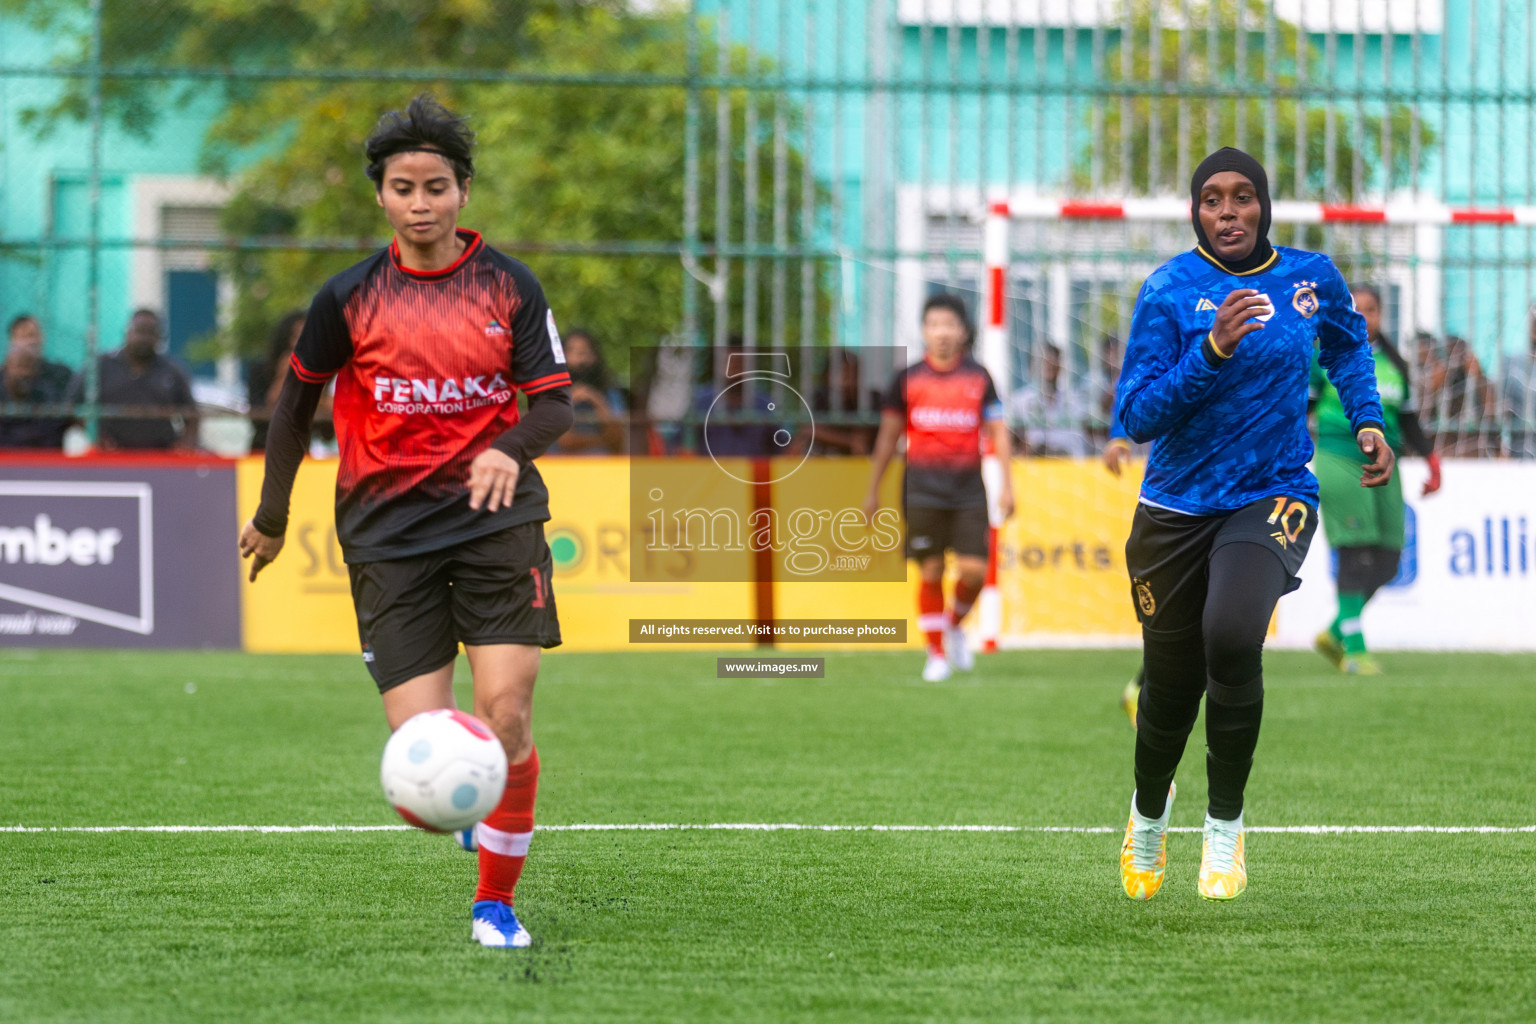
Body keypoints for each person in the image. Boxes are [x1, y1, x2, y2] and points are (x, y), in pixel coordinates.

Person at [237, 95, 574, 949]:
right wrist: (272, 517)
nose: (420, 203)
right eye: (402, 188)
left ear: (463, 192)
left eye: (436, 186)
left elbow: (555, 405)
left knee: (505, 717)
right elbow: (292, 410)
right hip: (386, 538)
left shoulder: (510, 286)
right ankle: (472, 808)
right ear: (381, 197)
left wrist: (507, 448)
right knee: (422, 751)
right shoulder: (347, 297)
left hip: (494, 522)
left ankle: (494, 905)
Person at [1113, 148, 1391, 903]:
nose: (1228, 212)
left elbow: (1345, 343)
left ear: (1264, 205)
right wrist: (1212, 349)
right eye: (1211, 199)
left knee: (1233, 636)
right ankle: (1145, 819)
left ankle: (1225, 832)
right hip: (1174, 508)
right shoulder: (1170, 289)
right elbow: (1136, 416)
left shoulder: (1310, 278)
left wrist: (1366, 417)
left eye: (1242, 198)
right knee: (1169, 687)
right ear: (1195, 211)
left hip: (1274, 492)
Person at [863, 293, 1015, 683]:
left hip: (967, 490)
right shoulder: (907, 378)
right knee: (930, 571)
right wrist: (872, 490)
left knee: (975, 572)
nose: (941, 333)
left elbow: (998, 430)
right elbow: (888, 437)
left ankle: (952, 625)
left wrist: (1008, 485)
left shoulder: (979, 377)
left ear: (963, 331)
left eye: (949, 325)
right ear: (924, 330)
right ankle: (935, 653)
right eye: (934, 325)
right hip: (922, 489)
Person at [1311, 285, 1442, 675]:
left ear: (1383, 314)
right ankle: (1354, 650)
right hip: (1338, 457)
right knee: (1355, 549)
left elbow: (1407, 420)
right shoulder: (1324, 356)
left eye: (1372, 309)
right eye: (1357, 309)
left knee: (1389, 559)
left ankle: (1335, 631)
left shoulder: (1395, 364)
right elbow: (1301, 408)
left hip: (1387, 463)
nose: (1365, 317)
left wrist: (1433, 462)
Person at [67, 309, 198, 450]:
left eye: (151, 332)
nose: (144, 338)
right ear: (127, 333)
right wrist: (94, 434)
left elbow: (192, 415)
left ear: (159, 337)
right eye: (140, 331)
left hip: (160, 454)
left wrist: (186, 442)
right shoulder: (100, 366)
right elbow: (70, 406)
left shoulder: (172, 370)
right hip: (111, 454)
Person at [549, 328, 625, 454]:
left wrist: (597, 401)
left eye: (585, 351)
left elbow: (618, 440)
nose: (581, 358)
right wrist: (569, 401)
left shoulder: (609, 393)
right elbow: (566, 441)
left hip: (601, 468)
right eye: (573, 351)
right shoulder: (551, 393)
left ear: (595, 356)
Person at [1010, 342, 1092, 456]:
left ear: (1060, 365)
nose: (1048, 365)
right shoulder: (1020, 401)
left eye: (1052, 360)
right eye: (1043, 362)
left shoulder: (1075, 400)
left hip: (1070, 466)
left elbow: (1083, 438)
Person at [0, 328, 71, 448]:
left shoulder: (49, 398)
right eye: (18, 365)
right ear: (8, 367)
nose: (22, 373)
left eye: (27, 366)